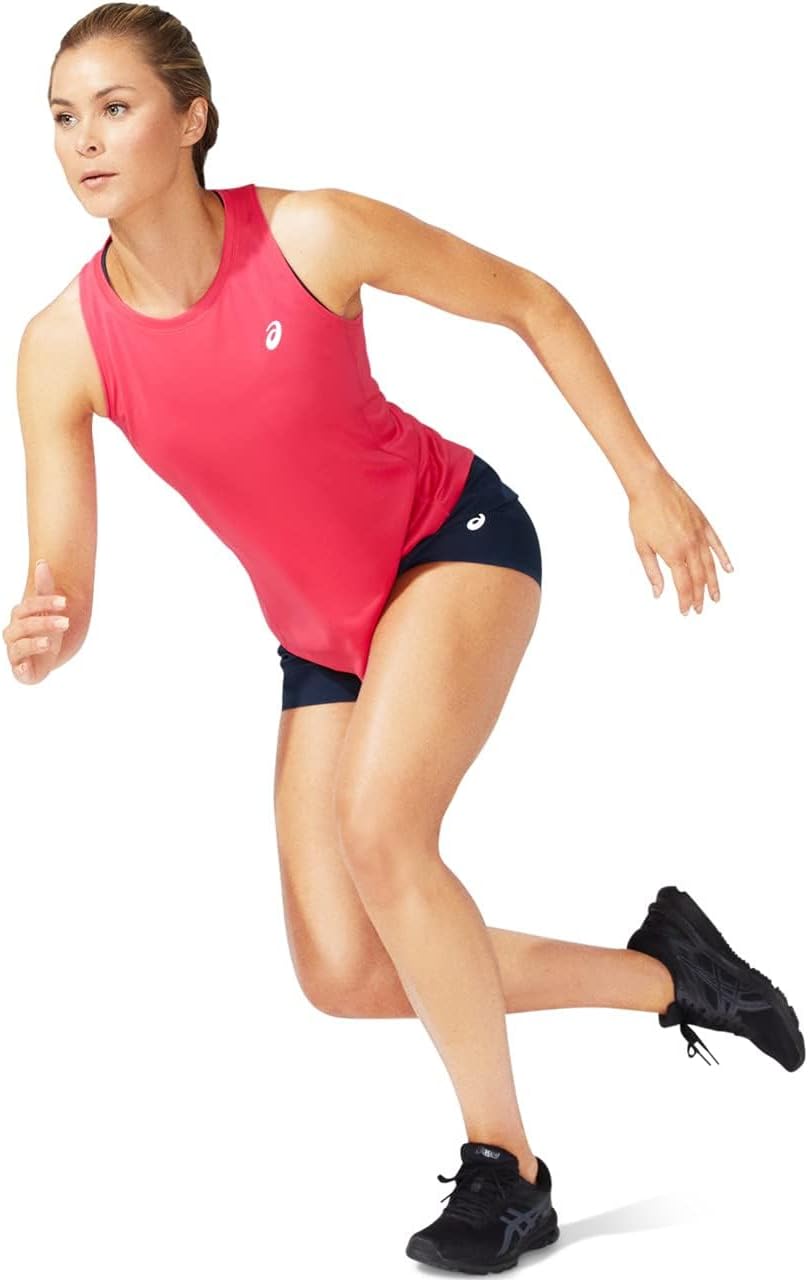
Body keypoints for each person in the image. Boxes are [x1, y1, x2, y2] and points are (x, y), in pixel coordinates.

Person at [4, 5, 803, 1273]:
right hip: (321, 638)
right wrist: (46, 632)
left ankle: (508, 1168)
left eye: (114, 107)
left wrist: (643, 478)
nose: (82, 140)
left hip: (453, 543)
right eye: (61, 116)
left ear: (191, 118)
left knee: (382, 831)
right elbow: (65, 581)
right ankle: (674, 975)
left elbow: (528, 300)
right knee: (343, 970)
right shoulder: (60, 347)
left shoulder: (310, 233)